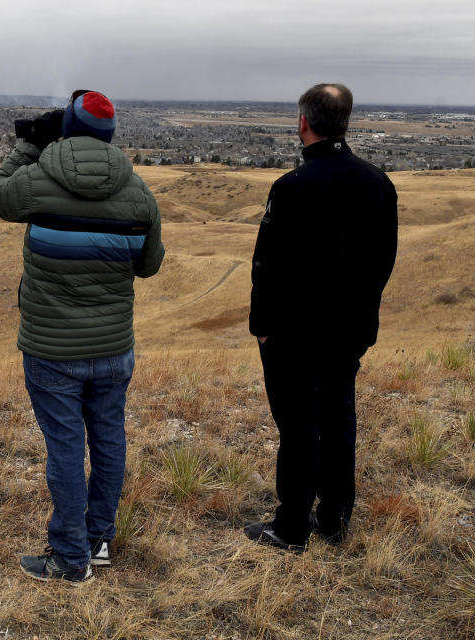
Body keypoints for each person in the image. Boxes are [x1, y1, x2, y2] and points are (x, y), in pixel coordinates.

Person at [0, 90, 164, 583]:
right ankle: (98, 542)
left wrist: (30, 144)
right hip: (112, 349)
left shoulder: (40, 179)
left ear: (67, 128)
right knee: (108, 439)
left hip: (51, 348)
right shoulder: (140, 193)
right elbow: (149, 266)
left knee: (65, 446)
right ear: (110, 135)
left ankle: (69, 558)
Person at [245, 84, 398, 552]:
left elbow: (266, 267)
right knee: (338, 417)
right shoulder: (378, 184)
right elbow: (383, 262)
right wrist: (362, 318)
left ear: (303, 123)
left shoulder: (291, 187)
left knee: (297, 424)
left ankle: (291, 527)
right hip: (348, 332)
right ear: (345, 122)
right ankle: (334, 520)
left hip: (293, 333)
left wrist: (263, 328)